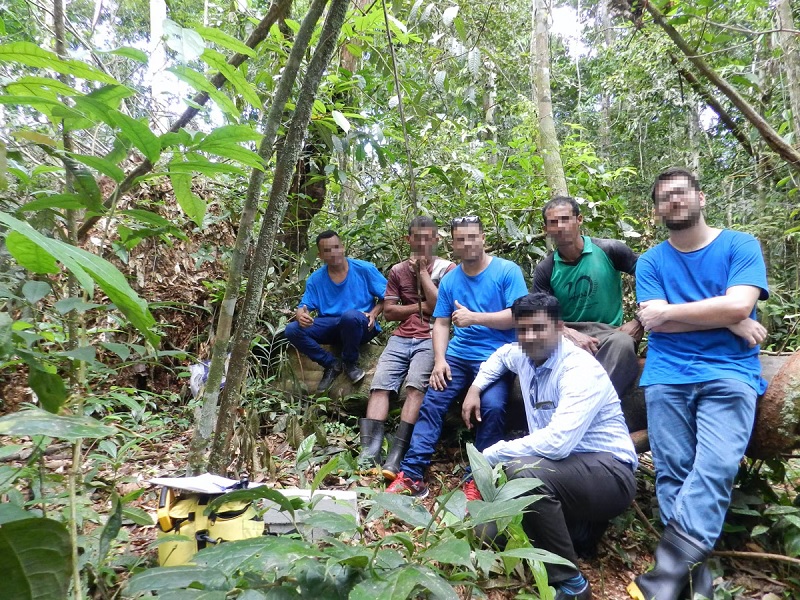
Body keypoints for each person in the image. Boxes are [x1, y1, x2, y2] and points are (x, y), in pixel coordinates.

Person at [628, 168, 769, 600]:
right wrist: (726, 316)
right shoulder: (651, 260)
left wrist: (678, 312)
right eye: (664, 197)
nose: (673, 200)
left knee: (716, 466)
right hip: (667, 375)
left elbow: (738, 303)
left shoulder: (739, 245)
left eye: (680, 192)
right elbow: (655, 324)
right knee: (673, 472)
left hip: (730, 373)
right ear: (655, 211)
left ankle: (664, 576)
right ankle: (693, 583)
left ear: (700, 197)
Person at [463, 293, 637, 600]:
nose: (530, 337)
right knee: (484, 534)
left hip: (610, 474)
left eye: (539, 328)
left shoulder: (578, 369)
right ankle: (580, 531)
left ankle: (570, 583)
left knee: (524, 472)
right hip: (564, 472)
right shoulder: (523, 353)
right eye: (523, 329)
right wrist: (475, 388)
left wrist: (489, 454)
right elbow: (501, 356)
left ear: (559, 328)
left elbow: (557, 443)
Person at [386, 215, 528, 498]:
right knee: (433, 402)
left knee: (493, 408)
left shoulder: (506, 271)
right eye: (461, 239)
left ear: (483, 238)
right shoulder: (451, 279)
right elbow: (440, 323)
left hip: (497, 357)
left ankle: (478, 478)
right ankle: (413, 474)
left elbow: (518, 316)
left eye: (473, 237)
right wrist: (440, 360)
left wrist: (475, 317)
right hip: (458, 356)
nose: (468, 243)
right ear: (453, 244)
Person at [358, 216, 455, 479]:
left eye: (428, 238)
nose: (422, 243)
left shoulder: (447, 270)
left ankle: (397, 455)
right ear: (408, 240)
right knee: (380, 386)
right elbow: (389, 312)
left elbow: (439, 308)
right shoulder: (397, 270)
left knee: (415, 388)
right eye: (417, 238)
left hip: (431, 337)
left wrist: (423, 273)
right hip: (400, 337)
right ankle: (369, 452)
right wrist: (418, 307)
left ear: (436, 240)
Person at [533, 196, 643, 398]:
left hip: (610, 332)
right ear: (546, 228)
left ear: (579, 220)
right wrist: (566, 332)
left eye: (566, 219)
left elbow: (651, 278)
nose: (560, 227)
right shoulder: (546, 268)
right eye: (553, 222)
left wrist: (639, 321)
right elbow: (540, 316)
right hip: (569, 334)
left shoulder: (610, 250)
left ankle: (595, 406)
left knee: (623, 343)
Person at [284, 230, 387, 392]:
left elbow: (388, 296)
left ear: (343, 247)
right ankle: (331, 364)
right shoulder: (316, 279)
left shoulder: (364, 269)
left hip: (361, 325)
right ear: (320, 255)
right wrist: (301, 315)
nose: (333, 253)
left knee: (350, 316)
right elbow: (303, 307)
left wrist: (373, 313)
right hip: (332, 326)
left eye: (336, 247)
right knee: (292, 329)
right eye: (327, 250)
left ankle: (350, 363)